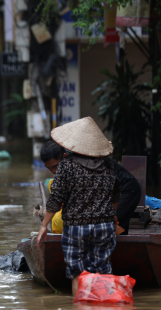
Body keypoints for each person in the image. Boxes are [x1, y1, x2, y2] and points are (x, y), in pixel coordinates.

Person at [37, 117, 121, 296]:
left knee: (77, 273)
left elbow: (56, 198)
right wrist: (112, 213)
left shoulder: (67, 165)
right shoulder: (109, 164)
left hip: (76, 227)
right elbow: (116, 193)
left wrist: (44, 225)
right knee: (102, 271)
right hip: (104, 227)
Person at [40, 139, 141, 235]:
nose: (53, 171)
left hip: (127, 190)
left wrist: (44, 225)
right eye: (49, 168)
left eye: (55, 166)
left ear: (64, 156)